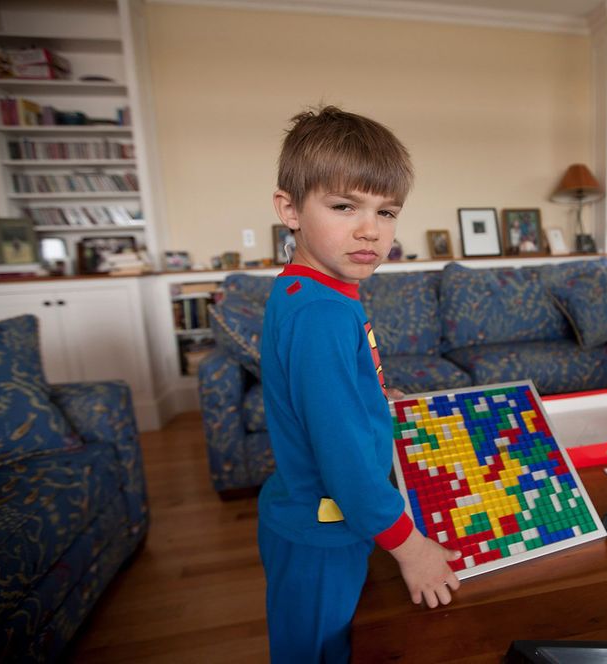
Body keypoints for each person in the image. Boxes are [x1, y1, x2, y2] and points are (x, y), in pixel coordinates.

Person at [258, 106, 461, 664]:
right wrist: (412, 548)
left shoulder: (310, 292)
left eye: (387, 211)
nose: (371, 229)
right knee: (316, 650)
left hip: (320, 517)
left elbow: (324, 400)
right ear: (290, 209)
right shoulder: (322, 314)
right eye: (344, 206)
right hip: (323, 526)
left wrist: (372, 401)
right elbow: (343, 462)